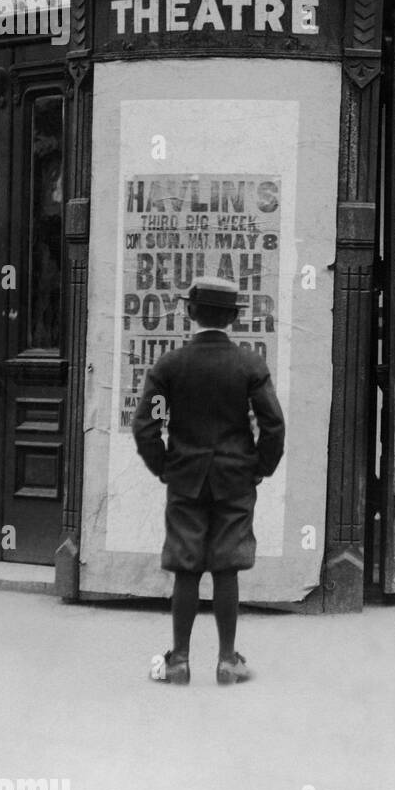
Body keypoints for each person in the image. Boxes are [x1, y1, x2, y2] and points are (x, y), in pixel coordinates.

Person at [130, 276, 285, 685]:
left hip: (185, 478)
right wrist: (259, 468)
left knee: (186, 565)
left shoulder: (169, 366)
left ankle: (178, 660)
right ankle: (227, 661)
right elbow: (273, 426)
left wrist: (165, 466)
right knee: (226, 566)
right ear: (232, 318)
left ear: (189, 312)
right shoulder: (250, 365)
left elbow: (146, 426)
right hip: (236, 478)